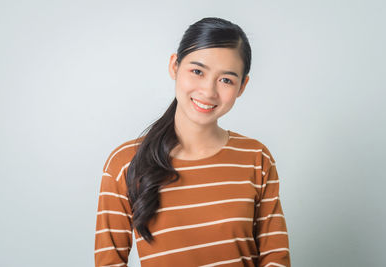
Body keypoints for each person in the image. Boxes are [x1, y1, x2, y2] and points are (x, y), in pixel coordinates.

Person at [94, 17, 291, 267]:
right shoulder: (124, 163)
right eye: (197, 71)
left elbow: (276, 257)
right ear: (175, 66)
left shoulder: (256, 158)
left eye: (226, 80)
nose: (208, 91)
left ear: (242, 86)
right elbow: (109, 262)